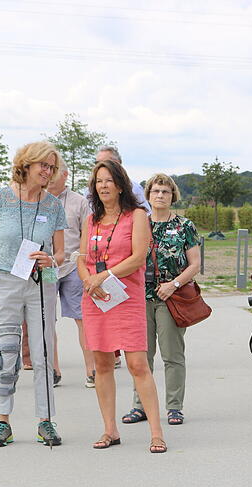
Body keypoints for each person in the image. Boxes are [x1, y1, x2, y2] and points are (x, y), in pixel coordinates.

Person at [0, 142, 66, 447]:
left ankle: (46, 421)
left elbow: (62, 253)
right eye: (44, 165)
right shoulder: (1, 198)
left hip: (41, 282)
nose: (48, 172)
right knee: (8, 350)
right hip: (6, 281)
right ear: (26, 164)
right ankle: (3, 422)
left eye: (52, 167)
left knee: (42, 353)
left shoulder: (53, 205)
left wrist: (50, 259)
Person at [77, 159, 167, 453]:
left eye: (108, 181)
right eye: (98, 181)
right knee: (102, 364)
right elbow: (81, 258)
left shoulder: (137, 215)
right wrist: (90, 280)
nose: (103, 186)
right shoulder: (91, 220)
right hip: (96, 299)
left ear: (120, 185)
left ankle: (156, 433)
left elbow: (138, 257)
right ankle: (110, 430)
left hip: (125, 298)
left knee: (137, 364)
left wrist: (103, 275)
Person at [121, 173, 200, 426]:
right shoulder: (138, 223)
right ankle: (140, 405)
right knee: (141, 356)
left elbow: (195, 263)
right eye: (155, 191)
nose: (160, 196)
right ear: (148, 195)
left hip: (172, 297)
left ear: (173, 196)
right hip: (140, 297)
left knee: (172, 355)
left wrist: (174, 284)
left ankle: (174, 406)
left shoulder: (185, 226)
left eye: (165, 192)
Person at [48, 155, 96, 387]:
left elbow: (86, 235)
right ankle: (53, 370)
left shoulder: (79, 202)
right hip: (46, 267)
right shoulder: (37, 200)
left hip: (74, 266)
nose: (48, 174)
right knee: (47, 320)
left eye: (54, 170)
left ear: (65, 175)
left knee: (82, 318)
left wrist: (84, 264)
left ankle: (92, 370)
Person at [94, 145, 151, 212]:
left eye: (106, 162)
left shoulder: (134, 188)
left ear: (118, 163)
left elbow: (146, 214)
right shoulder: (89, 191)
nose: (100, 166)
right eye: (97, 163)